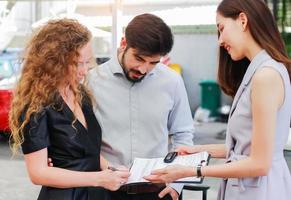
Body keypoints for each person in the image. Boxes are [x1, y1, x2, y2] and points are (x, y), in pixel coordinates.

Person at [145, 0, 291, 199]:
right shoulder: (260, 71)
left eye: (221, 29)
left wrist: (192, 171)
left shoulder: (265, 76)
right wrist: (197, 151)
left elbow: (259, 163)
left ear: (242, 20)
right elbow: (241, 148)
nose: (220, 40)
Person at [9, 18, 130, 200]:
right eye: (76, 63)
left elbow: (89, 153)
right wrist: (99, 179)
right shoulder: (35, 103)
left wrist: (111, 170)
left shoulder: (81, 93)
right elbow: (38, 173)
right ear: (54, 61)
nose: (84, 70)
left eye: (87, 61)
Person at [86, 13, 194, 200]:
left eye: (153, 63)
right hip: (104, 192)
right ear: (123, 43)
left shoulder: (172, 82)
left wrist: (177, 185)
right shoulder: (92, 82)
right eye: (139, 58)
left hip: (157, 192)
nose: (144, 69)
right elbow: (80, 139)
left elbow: (183, 134)